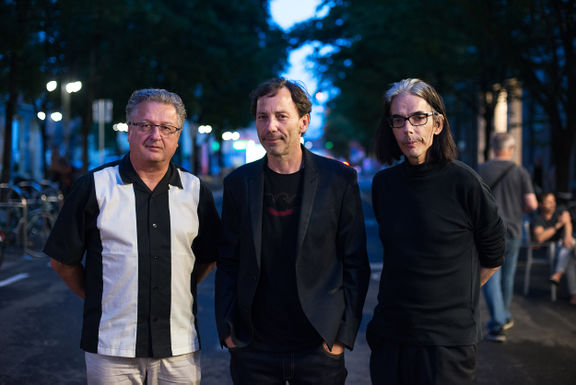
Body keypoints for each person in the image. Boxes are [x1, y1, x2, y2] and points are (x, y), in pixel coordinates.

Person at [44, 89, 220, 385]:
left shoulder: (196, 191)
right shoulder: (94, 187)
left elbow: (208, 257)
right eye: (145, 125)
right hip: (111, 349)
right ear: (129, 131)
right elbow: (62, 262)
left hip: (179, 349)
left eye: (166, 128)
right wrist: (100, 297)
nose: (155, 135)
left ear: (177, 137)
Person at [215, 78, 370, 385]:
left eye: (281, 116)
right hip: (253, 347)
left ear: (304, 122)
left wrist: (341, 336)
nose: (270, 126)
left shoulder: (338, 180)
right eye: (263, 117)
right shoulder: (239, 183)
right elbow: (228, 261)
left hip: (318, 346)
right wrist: (228, 331)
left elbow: (355, 262)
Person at [368, 78, 505, 385]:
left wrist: (456, 291)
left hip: (447, 342)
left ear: (438, 124)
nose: (408, 129)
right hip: (391, 334)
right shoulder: (384, 185)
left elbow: (494, 251)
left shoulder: (464, 182)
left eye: (418, 117)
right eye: (398, 120)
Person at [478, 132, 538, 342]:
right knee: (508, 275)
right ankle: (502, 317)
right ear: (511, 149)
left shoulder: (482, 169)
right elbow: (532, 204)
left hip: (486, 231)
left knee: (490, 273)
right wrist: (517, 210)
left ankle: (498, 321)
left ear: (494, 147)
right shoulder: (520, 172)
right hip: (513, 230)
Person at [533, 192, 576, 305]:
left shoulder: (560, 211)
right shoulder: (539, 219)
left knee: (568, 248)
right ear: (542, 204)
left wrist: (567, 237)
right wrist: (558, 225)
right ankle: (573, 294)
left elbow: (568, 223)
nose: (553, 204)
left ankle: (558, 274)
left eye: (553, 201)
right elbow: (540, 238)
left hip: (565, 245)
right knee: (570, 256)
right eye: (549, 202)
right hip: (551, 251)